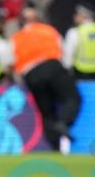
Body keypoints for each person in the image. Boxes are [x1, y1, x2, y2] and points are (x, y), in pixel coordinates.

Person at [8, 8, 81, 150]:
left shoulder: (16, 37)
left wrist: (21, 81)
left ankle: (55, 148)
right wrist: (66, 71)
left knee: (46, 112)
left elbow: (10, 61)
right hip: (52, 67)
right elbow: (64, 52)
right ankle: (64, 122)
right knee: (72, 98)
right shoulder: (49, 30)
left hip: (31, 74)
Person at [62, 5, 95, 80]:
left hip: (80, 76)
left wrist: (67, 77)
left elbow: (67, 59)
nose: (74, 17)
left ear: (83, 16)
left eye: (77, 15)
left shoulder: (75, 32)